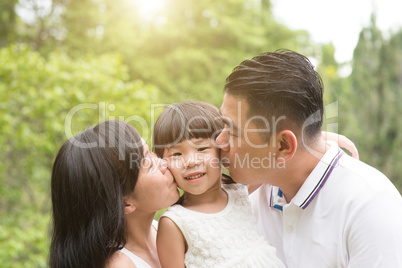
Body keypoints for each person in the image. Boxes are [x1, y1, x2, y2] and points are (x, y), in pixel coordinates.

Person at [216, 49, 402, 267]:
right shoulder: (250, 195)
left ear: (284, 146)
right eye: (222, 124)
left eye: (232, 131)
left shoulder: (370, 207)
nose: (219, 141)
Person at [153, 101, 286, 268]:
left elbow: (272, 158)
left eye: (201, 149)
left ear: (221, 150)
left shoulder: (238, 191)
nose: (191, 162)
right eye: (177, 154)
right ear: (163, 163)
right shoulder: (174, 222)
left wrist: (325, 139)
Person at [49, 120, 180, 268]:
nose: (164, 163)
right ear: (125, 203)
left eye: (151, 152)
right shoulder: (120, 265)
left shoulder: (166, 229)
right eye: (149, 165)